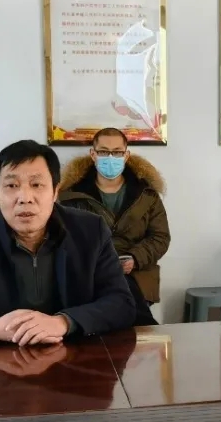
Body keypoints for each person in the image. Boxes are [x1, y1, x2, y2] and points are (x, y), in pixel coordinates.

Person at [0, 140, 136, 344]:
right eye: (12, 186)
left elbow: (121, 303)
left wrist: (64, 322)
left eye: (37, 185)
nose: (25, 198)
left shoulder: (90, 231)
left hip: (76, 359)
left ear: (55, 192)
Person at [58, 127, 170, 326]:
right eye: (103, 151)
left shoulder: (147, 194)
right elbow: (63, 239)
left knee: (130, 308)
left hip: (137, 275)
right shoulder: (71, 196)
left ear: (126, 155)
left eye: (117, 152)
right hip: (90, 275)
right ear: (93, 154)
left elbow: (160, 237)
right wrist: (100, 263)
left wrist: (134, 258)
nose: (110, 157)